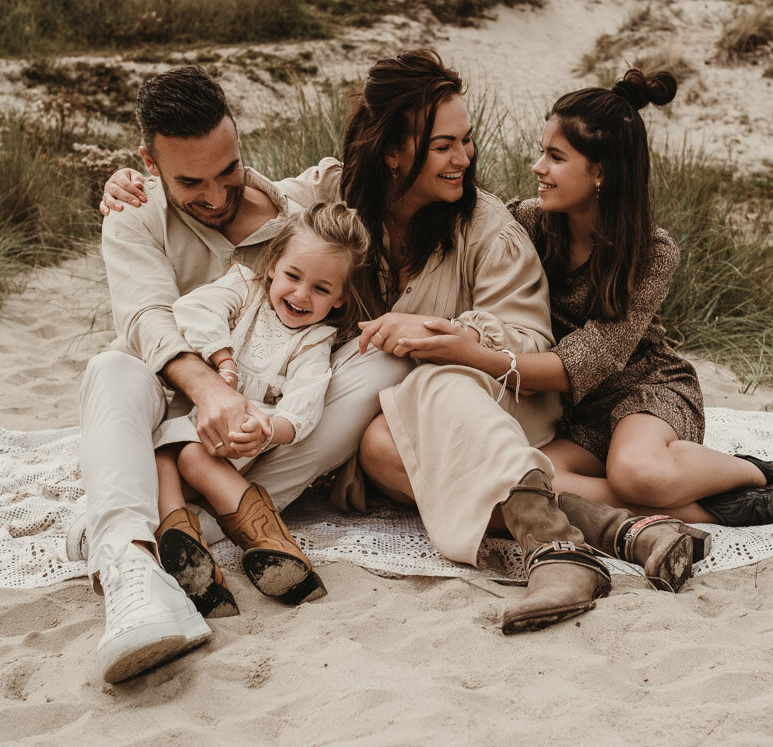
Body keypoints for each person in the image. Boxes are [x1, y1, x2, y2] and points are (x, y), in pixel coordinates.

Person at [103, 50, 694, 636]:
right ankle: (607, 530)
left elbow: (530, 338)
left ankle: (564, 546)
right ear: (391, 151)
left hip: (490, 402)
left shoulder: (489, 229)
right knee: (382, 441)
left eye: (465, 140)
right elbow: (259, 210)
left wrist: (447, 337)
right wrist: (139, 185)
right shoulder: (332, 196)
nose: (464, 158)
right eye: (443, 146)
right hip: (378, 421)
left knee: (413, 378)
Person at [374, 69, 773, 542]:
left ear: (600, 172)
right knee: (531, 477)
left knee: (637, 473)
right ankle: (739, 505)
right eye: (541, 153)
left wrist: (472, 354)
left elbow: (591, 360)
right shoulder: (526, 224)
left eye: (555, 157)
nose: (537, 168)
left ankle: (771, 472)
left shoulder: (651, 252)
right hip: (574, 414)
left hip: (643, 390)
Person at [80, 65, 410, 685]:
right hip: (173, 408)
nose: (213, 194)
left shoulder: (300, 201)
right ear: (148, 163)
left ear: (238, 140)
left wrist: (267, 425)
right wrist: (211, 387)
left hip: (262, 437)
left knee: (384, 356)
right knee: (111, 367)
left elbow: (388, 169)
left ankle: (212, 520)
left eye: (226, 170)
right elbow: (149, 317)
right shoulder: (134, 215)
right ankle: (133, 567)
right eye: (190, 181)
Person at [151, 202, 370, 618]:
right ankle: (184, 546)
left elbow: (303, 406)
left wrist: (267, 429)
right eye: (292, 276)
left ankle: (266, 541)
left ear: (340, 298)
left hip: (233, 445)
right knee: (161, 454)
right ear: (272, 266)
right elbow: (192, 310)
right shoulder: (244, 289)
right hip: (188, 425)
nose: (301, 295)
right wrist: (223, 360)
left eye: (322, 289)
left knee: (190, 456)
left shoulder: (313, 343)